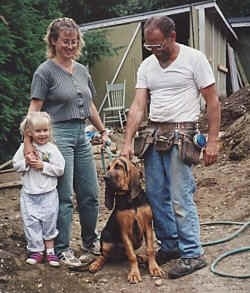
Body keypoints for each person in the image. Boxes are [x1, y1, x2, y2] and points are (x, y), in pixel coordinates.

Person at [121, 16, 221, 279]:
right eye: (149, 46)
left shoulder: (194, 59)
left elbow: (212, 101)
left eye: (159, 45)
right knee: (155, 195)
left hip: (183, 133)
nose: (154, 51)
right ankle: (171, 244)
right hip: (154, 133)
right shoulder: (146, 66)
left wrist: (212, 140)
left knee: (180, 196)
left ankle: (192, 253)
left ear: (172, 36)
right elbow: (138, 106)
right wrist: (127, 142)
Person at [24, 17, 109, 267]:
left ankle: (89, 239)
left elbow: (90, 104)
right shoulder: (45, 71)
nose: (70, 46)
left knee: (90, 193)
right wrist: (28, 143)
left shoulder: (82, 70)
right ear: (53, 41)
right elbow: (34, 109)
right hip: (57, 134)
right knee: (62, 196)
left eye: (74, 42)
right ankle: (61, 248)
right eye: (65, 42)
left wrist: (103, 130)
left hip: (81, 134)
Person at [13, 112, 65, 267]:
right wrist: (27, 163)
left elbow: (60, 169)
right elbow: (16, 165)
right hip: (29, 194)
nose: (42, 134)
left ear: (50, 130)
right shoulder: (24, 148)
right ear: (29, 132)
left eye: (45, 130)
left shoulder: (52, 149)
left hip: (48, 193)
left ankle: (50, 250)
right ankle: (36, 250)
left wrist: (44, 166)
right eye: (38, 131)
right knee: (31, 222)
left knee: (49, 221)